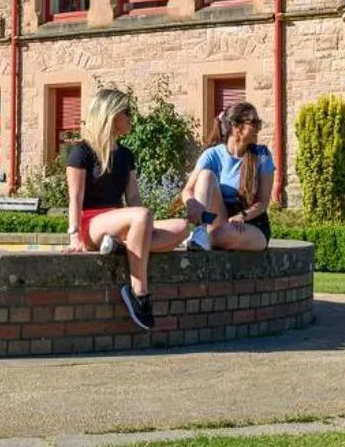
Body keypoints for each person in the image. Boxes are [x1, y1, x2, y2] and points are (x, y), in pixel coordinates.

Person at [63, 87, 192, 330]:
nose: (131, 117)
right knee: (141, 216)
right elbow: (75, 197)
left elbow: (132, 196)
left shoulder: (125, 155)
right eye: (127, 112)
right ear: (111, 115)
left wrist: (144, 227)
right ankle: (138, 291)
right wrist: (73, 236)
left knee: (182, 227)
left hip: (120, 222)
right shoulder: (81, 152)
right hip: (91, 224)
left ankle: (120, 245)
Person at [184, 101, 274, 252]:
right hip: (219, 218)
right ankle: (200, 230)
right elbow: (188, 190)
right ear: (236, 126)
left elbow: (263, 202)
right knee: (206, 175)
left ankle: (201, 238)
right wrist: (192, 204)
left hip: (251, 223)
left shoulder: (262, 156)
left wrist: (243, 215)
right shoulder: (212, 155)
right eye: (254, 123)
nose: (258, 128)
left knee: (218, 236)